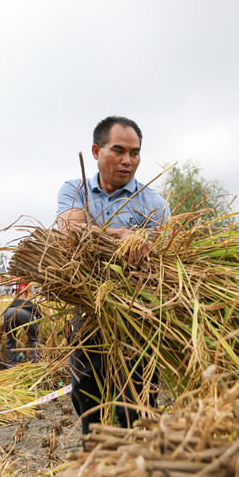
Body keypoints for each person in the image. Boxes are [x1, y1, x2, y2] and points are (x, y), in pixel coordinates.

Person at [56, 116, 170, 435]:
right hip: (89, 308)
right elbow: (69, 230)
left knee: (136, 398)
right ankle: (95, 456)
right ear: (96, 150)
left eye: (134, 153)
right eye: (118, 150)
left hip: (136, 312)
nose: (127, 160)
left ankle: (138, 463)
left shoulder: (153, 204)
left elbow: (164, 259)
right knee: (86, 390)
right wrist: (121, 236)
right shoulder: (75, 190)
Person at [4, 298, 41, 365]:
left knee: (10, 340)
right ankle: (35, 363)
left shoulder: (14, 303)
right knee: (34, 340)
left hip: (9, 313)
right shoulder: (33, 306)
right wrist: (32, 333)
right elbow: (39, 319)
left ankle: (10, 365)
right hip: (25, 313)